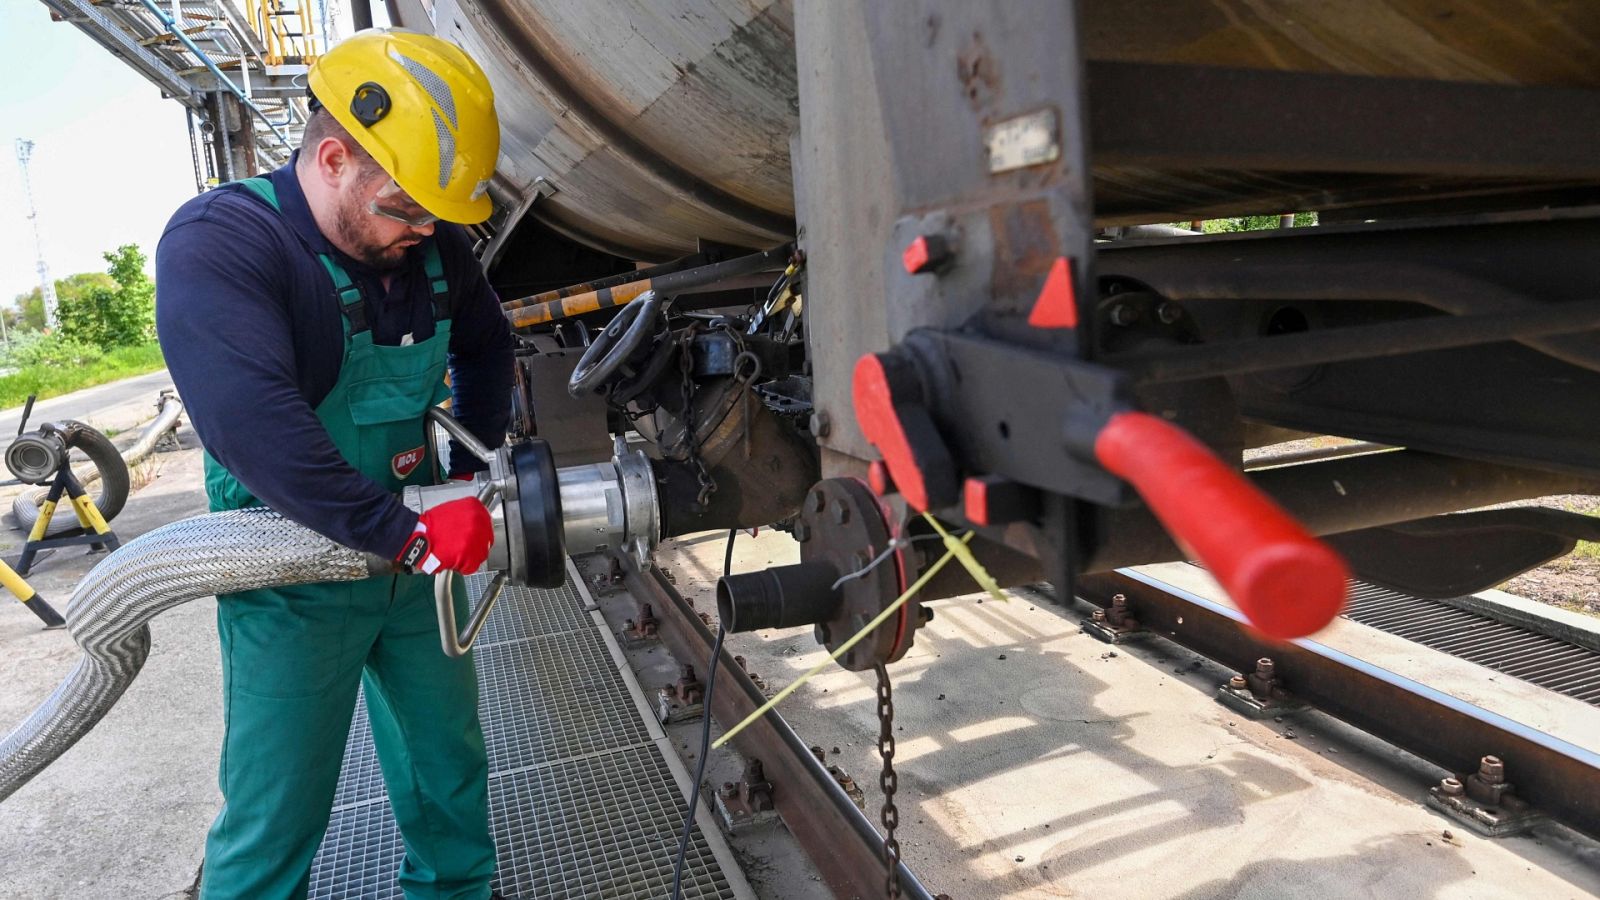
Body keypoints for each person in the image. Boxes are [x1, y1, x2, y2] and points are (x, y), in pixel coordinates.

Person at [155, 28, 513, 900]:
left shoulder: (429, 242)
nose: (426, 231)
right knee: (279, 807)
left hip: (412, 560)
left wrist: (471, 473)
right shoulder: (224, 244)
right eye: (406, 209)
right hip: (290, 572)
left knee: (449, 765)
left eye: (438, 216)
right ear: (332, 159)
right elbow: (259, 430)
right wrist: (408, 535)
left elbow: (489, 344)